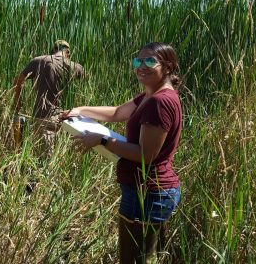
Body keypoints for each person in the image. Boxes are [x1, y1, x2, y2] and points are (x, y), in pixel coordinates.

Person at [61, 42, 182, 263]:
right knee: (146, 256)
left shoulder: (159, 102)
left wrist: (102, 140)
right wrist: (79, 110)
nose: (141, 66)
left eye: (150, 61)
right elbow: (117, 113)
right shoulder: (149, 96)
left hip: (148, 193)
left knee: (133, 259)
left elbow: (145, 156)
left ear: (168, 67)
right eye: (138, 61)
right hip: (146, 191)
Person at [13, 40, 84, 157]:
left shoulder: (39, 60)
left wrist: (18, 101)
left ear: (53, 50)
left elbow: (18, 81)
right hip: (64, 119)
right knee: (56, 159)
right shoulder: (74, 66)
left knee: (43, 160)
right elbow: (86, 76)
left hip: (42, 117)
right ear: (68, 53)